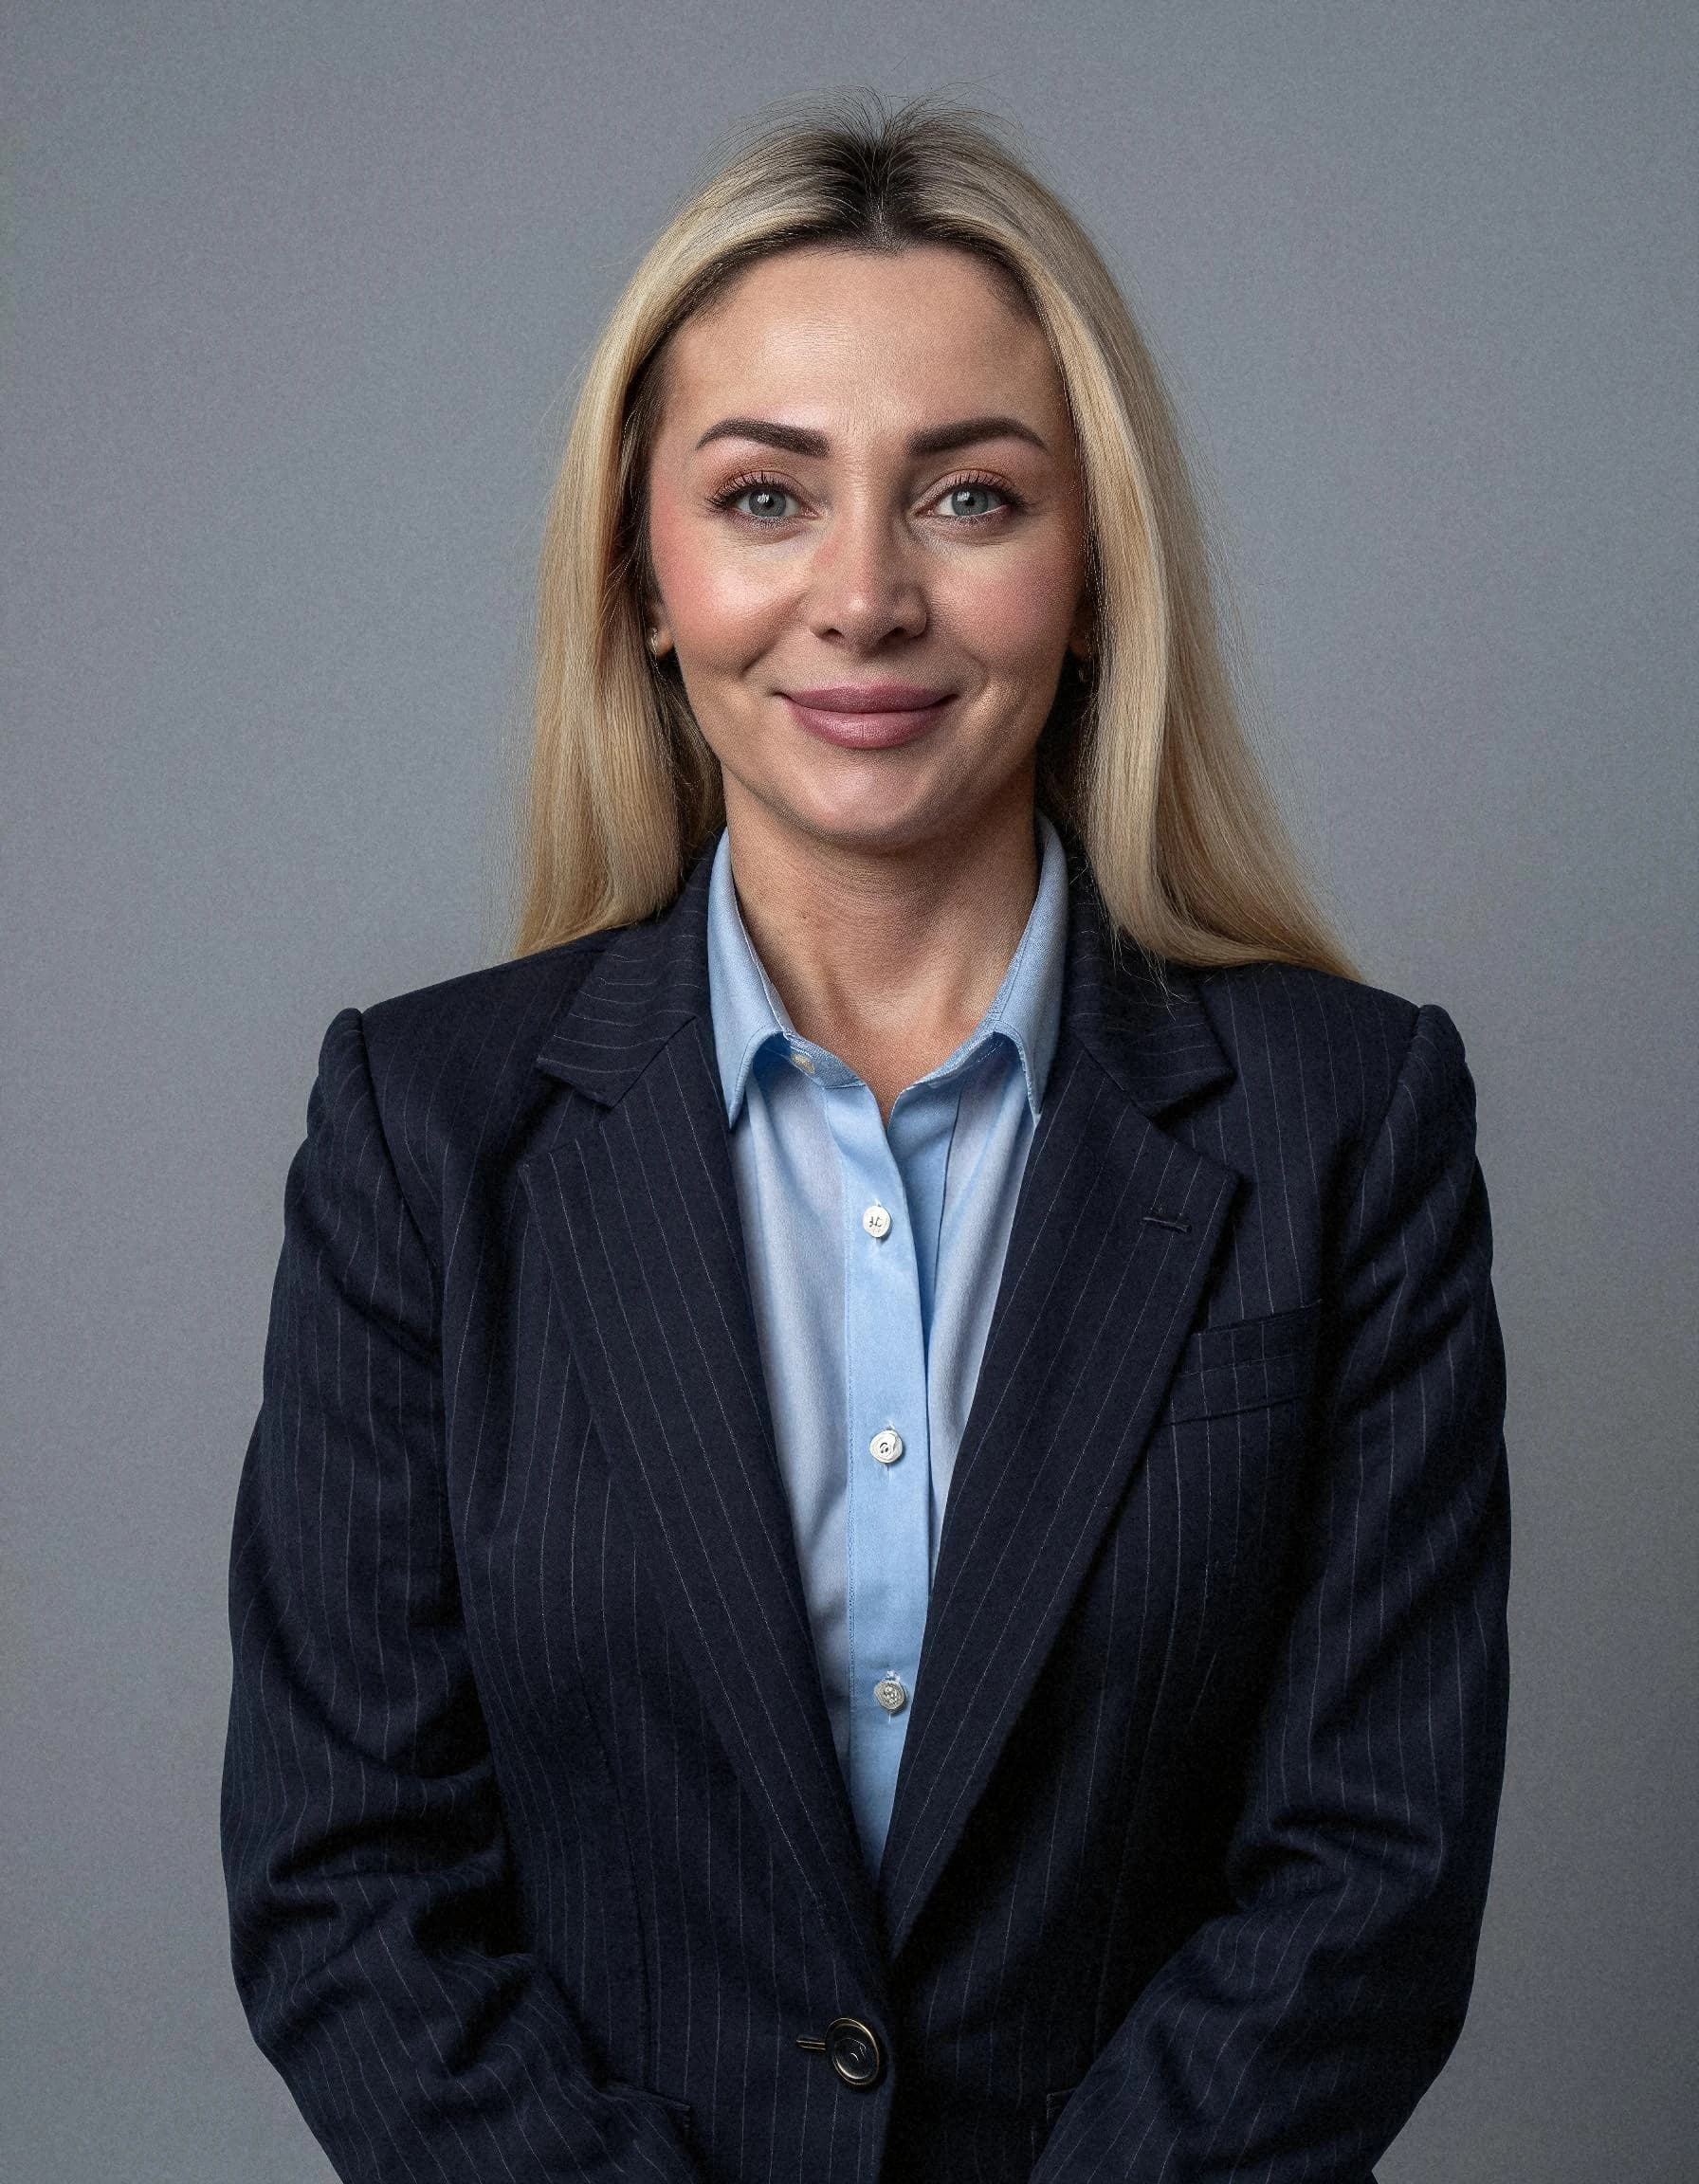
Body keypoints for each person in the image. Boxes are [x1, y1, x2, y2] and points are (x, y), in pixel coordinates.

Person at [222, 92, 1510, 2184]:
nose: (860, 598)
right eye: (760, 497)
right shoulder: (422, 1134)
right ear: (641, 576)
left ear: (1089, 572)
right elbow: (350, 1889)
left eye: (969, 500)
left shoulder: (1343, 1128)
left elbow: (1366, 1871)